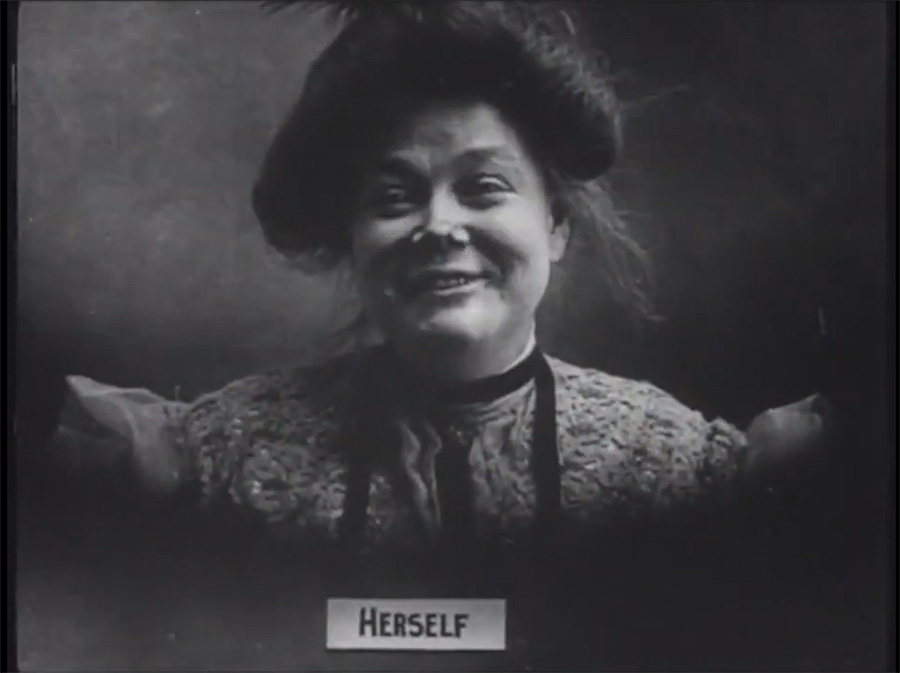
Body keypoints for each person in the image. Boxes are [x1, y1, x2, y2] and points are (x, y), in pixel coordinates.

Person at [57, 1, 831, 666]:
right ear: (352, 237)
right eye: (394, 197)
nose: (439, 225)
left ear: (556, 224)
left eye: (483, 187)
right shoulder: (215, 460)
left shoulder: (673, 466)